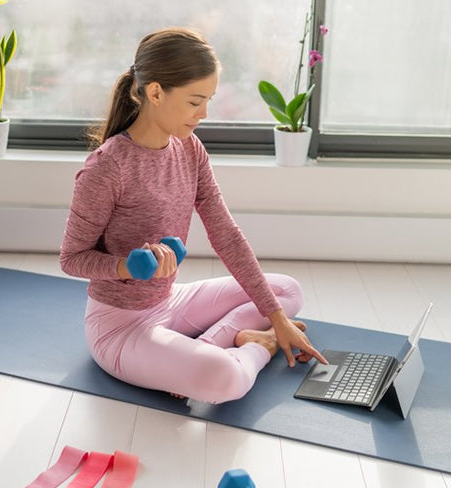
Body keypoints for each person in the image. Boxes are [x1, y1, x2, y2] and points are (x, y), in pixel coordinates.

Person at [60, 27, 327, 404]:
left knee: (286, 292)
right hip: (120, 326)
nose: (203, 114)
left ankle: (209, 344)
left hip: (171, 301)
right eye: (194, 101)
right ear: (155, 92)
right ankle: (257, 347)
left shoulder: (189, 149)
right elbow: (71, 259)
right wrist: (125, 267)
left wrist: (278, 318)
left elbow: (226, 234)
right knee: (224, 379)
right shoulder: (107, 167)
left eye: (209, 100)